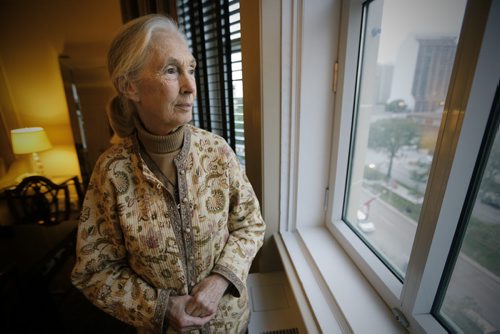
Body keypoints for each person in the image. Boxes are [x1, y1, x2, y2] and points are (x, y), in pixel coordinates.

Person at [71, 14, 265, 334]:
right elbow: (93, 271)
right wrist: (160, 307)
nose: (190, 87)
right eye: (171, 70)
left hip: (230, 325)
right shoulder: (111, 172)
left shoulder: (217, 152)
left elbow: (251, 224)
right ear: (129, 86)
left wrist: (220, 280)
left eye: (191, 69)